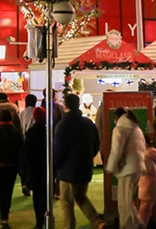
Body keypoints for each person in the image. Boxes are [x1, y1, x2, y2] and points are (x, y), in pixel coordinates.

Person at [54, 92, 102, 229]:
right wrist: (89, 157)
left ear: (65, 106)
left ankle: (69, 227)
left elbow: (59, 149)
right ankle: (98, 222)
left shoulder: (62, 125)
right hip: (85, 166)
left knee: (67, 202)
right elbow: (96, 144)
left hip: (67, 170)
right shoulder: (87, 123)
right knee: (81, 197)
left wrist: (57, 166)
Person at [108, 107, 146, 229]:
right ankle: (137, 223)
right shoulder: (136, 128)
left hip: (126, 169)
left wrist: (110, 167)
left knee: (124, 203)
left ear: (116, 118)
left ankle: (128, 225)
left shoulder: (119, 129)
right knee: (128, 200)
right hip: (138, 167)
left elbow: (116, 151)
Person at [0, 109, 24, 228]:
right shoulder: (16, 131)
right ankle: (5, 215)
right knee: (9, 190)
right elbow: (21, 147)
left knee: (1, 190)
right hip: (13, 164)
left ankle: (3, 216)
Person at [24, 106, 49, 229]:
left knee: (37, 196)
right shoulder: (48, 131)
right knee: (46, 194)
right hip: (46, 167)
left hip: (34, 168)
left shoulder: (31, 132)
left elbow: (26, 152)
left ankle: (39, 221)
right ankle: (46, 218)